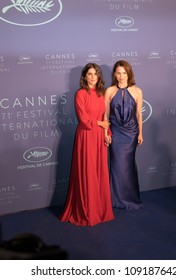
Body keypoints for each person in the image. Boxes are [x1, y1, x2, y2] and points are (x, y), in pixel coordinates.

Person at [60, 63, 114, 226]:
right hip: (87, 136)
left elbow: (106, 117)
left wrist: (107, 133)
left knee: (100, 172)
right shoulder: (80, 94)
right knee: (88, 172)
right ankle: (87, 211)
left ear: (99, 77)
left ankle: (100, 210)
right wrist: (101, 124)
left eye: (95, 74)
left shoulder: (101, 93)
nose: (92, 77)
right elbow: (84, 119)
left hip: (99, 136)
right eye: (89, 74)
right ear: (84, 77)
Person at [104, 60, 143, 210]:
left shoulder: (137, 91)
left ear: (129, 74)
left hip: (131, 133)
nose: (121, 76)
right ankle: (115, 199)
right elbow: (105, 115)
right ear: (114, 74)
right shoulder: (109, 91)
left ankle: (130, 197)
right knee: (116, 165)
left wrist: (140, 132)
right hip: (115, 132)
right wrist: (106, 132)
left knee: (127, 165)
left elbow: (139, 114)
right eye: (118, 73)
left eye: (124, 73)